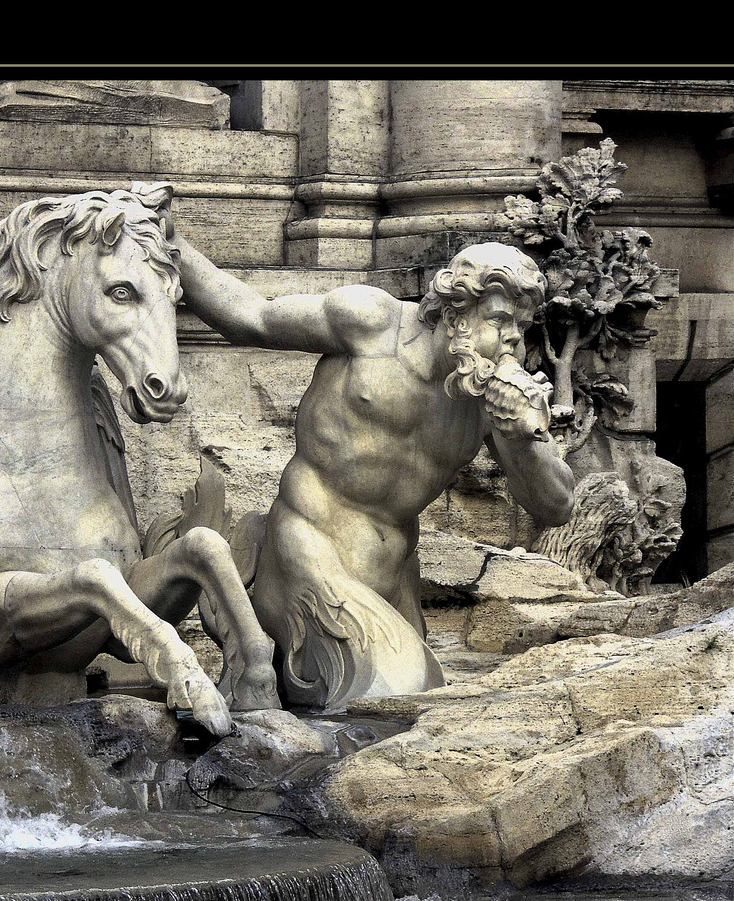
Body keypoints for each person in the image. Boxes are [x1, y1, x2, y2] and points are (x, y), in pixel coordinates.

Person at [166, 229, 577, 708]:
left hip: (395, 579)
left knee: (421, 713)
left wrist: (522, 436)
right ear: (453, 312)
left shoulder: (485, 397)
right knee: (396, 698)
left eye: (522, 328)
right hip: (309, 552)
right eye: (501, 320)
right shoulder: (371, 322)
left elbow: (557, 506)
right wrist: (171, 243)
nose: (513, 340)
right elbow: (251, 317)